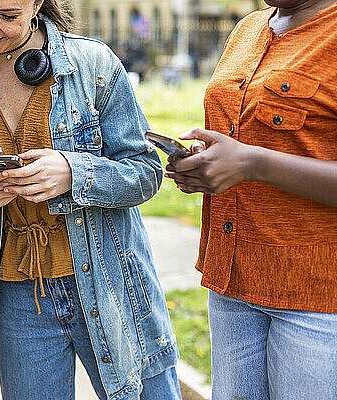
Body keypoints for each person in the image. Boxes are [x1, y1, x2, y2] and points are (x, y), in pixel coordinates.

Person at [0, 0, 182, 399]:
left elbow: (147, 172)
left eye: (8, 16)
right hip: (18, 299)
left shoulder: (93, 64)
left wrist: (75, 173)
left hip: (112, 284)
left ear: (37, 4)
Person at [165, 1, 337, 398]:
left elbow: (252, 158)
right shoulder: (249, 28)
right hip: (232, 280)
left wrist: (252, 164)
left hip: (317, 296)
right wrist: (207, 170)